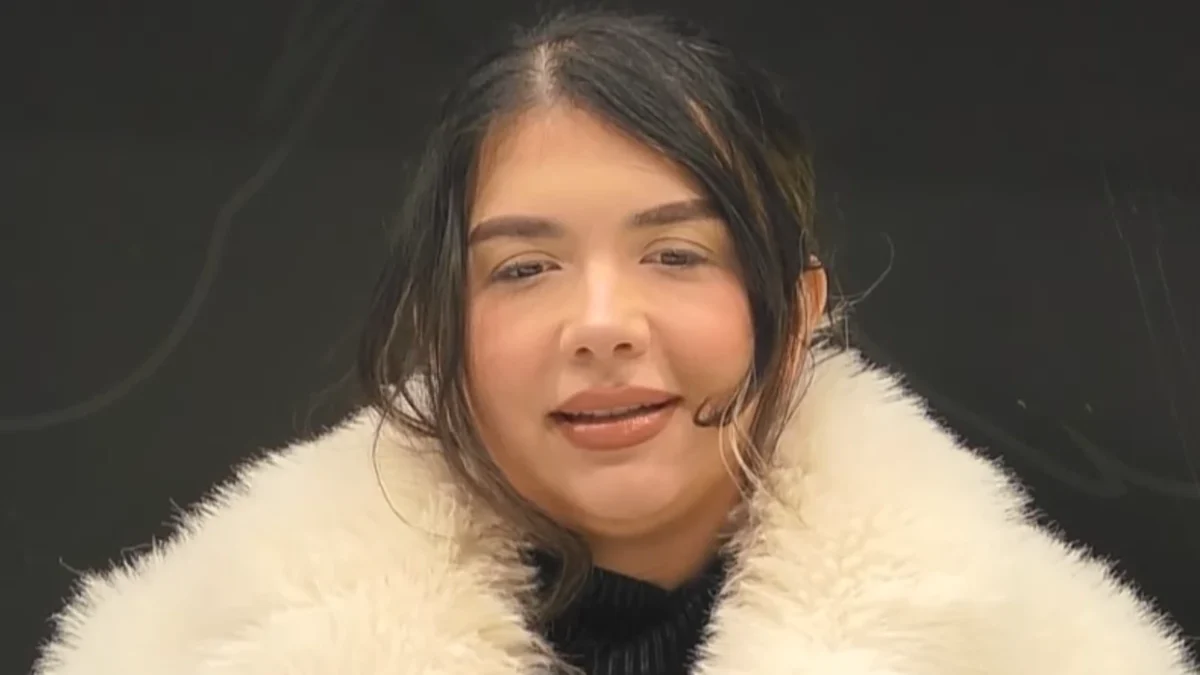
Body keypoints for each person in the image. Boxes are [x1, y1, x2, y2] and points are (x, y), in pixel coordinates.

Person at [34, 9, 1194, 675]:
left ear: (796, 315)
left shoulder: (1029, 646)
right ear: (443, 325)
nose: (600, 326)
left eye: (676, 255)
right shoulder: (201, 645)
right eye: (523, 268)